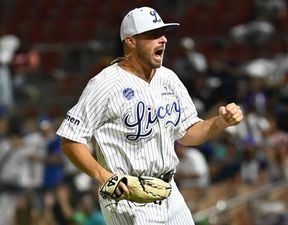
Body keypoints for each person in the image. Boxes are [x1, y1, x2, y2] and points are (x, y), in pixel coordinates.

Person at [56, 6, 243, 225]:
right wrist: (103, 176)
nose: (163, 39)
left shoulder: (169, 79)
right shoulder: (105, 84)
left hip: (169, 190)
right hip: (127, 195)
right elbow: (70, 138)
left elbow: (187, 133)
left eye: (163, 34)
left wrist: (220, 122)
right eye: (153, 35)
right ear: (130, 42)